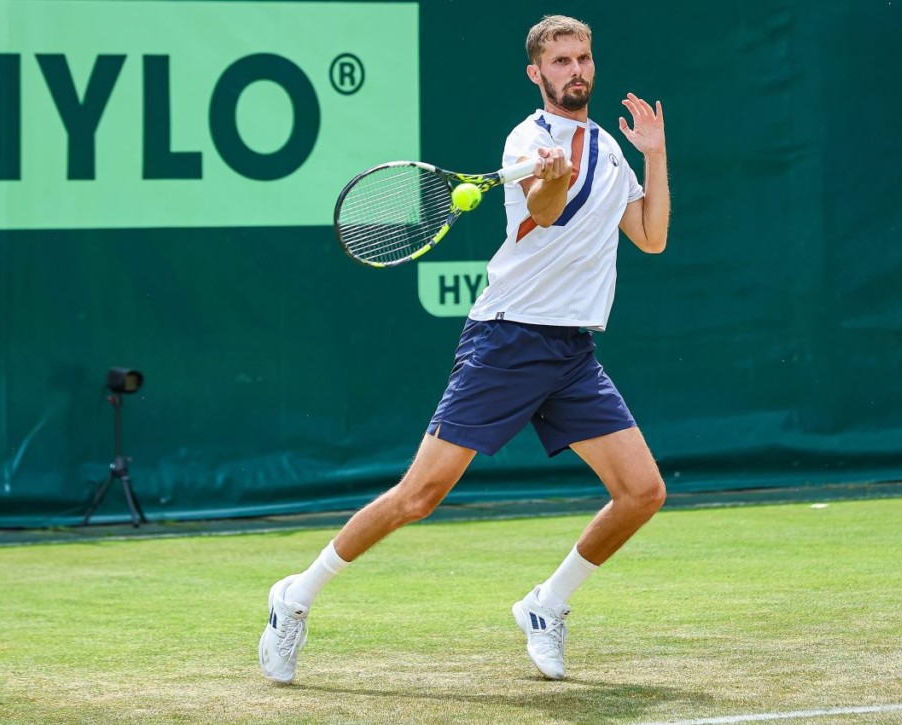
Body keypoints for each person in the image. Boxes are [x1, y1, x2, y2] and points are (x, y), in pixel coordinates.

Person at [260, 14, 671, 683]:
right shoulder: (529, 139)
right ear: (537, 73)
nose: (577, 71)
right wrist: (553, 176)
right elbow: (540, 210)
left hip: (572, 351)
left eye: (584, 58)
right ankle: (295, 596)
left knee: (643, 491)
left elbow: (650, 236)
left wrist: (653, 151)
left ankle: (546, 604)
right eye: (561, 61)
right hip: (508, 340)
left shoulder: (610, 149)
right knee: (418, 496)